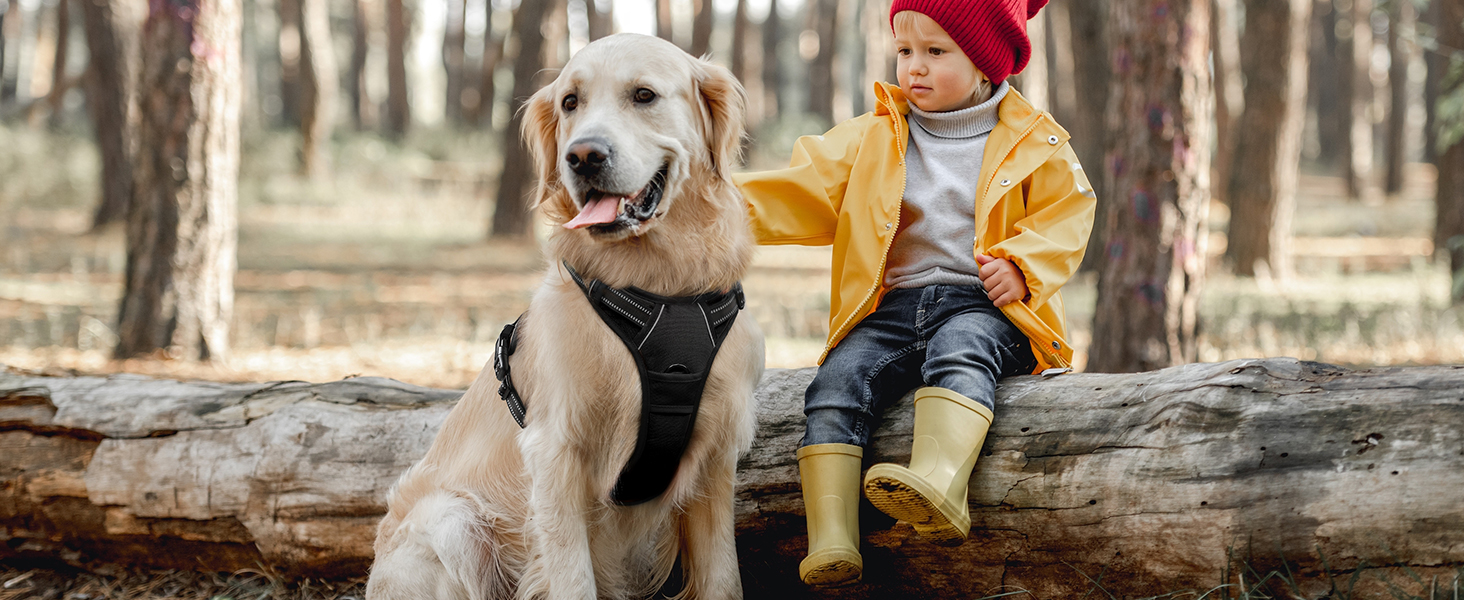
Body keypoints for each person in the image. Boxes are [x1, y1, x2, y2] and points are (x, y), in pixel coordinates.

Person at [732, 0, 1096, 587]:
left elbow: (1067, 214)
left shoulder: (1035, 140)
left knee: (961, 349)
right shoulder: (876, 135)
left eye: (935, 51)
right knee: (836, 382)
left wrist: (1023, 266)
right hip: (894, 309)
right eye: (904, 51)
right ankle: (832, 537)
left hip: (986, 305)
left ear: (984, 64)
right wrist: (710, 205)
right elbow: (802, 187)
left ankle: (940, 482)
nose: (914, 67)